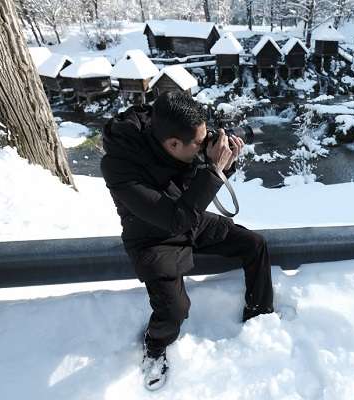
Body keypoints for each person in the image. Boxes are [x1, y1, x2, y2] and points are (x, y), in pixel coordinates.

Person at [100, 93, 274, 391]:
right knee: (174, 309)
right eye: (200, 142)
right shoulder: (119, 165)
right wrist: (213, 169)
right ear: (173, 145)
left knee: (254, 244)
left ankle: (259, 314)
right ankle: (155, 346)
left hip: (190, 217)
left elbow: (196, 188)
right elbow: (173, 219)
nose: (204, 145)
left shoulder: (179, 136)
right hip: (153, 237)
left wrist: (223, 162)